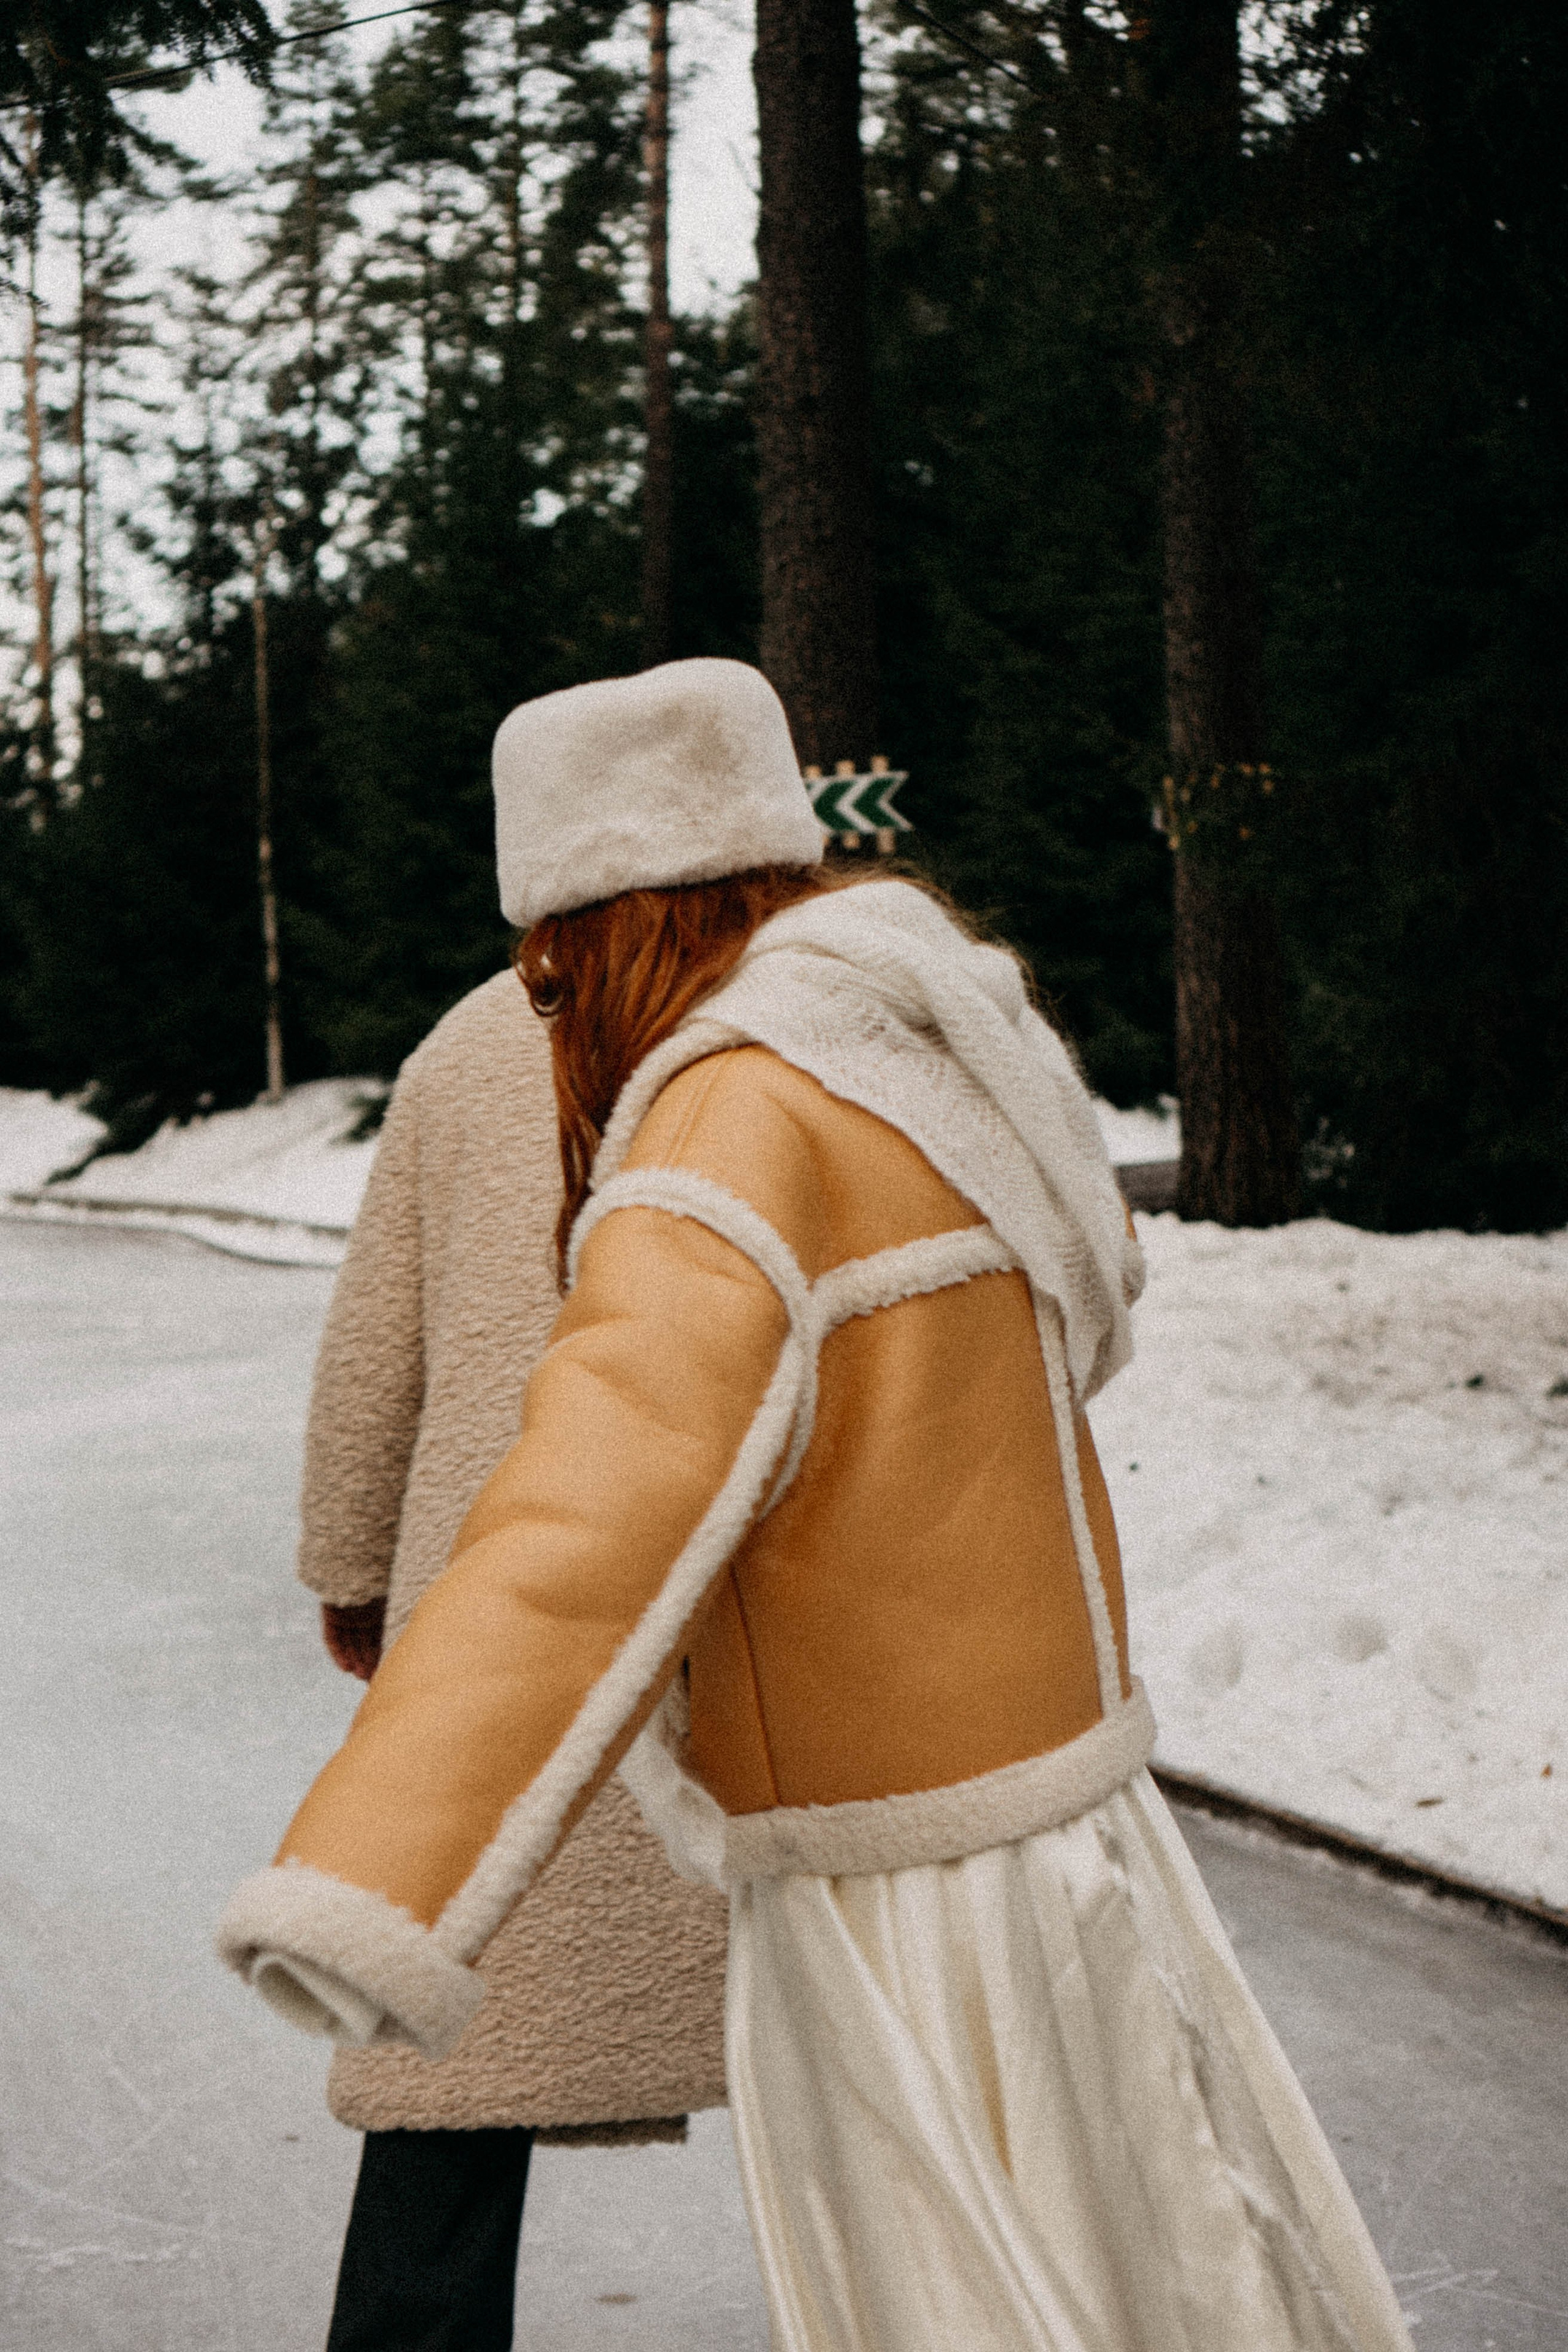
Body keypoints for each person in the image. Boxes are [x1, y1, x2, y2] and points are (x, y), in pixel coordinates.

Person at [222, 655, 1414, 2351]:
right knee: (1152, 2259)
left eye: (552, 967)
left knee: (901, 2272)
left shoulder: (714, 1120)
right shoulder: (939, 1024)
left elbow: (574, 1529)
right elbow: (1081, 1307)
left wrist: (364, 1867)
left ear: (585, 916)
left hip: (863, 1846)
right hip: (1053, 1809)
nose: (544, 1001)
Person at [293, 967, 727, 2351]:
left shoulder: (477, 1038)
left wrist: (354, 1569)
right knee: (857, 2044)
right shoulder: (813, 1011)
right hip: (748, 1609)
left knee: (457, 2032)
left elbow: (377, 1342)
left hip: (509, 1608)